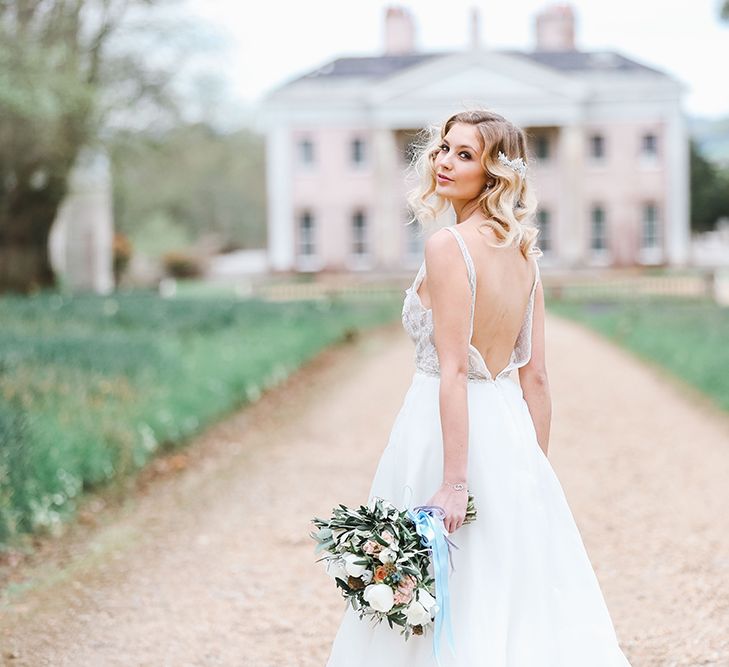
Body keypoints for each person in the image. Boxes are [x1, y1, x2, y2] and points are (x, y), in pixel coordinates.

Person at [324, 109, 632, 666]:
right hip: (508, 430)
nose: (443, 161)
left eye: (465, 154)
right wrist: (531, 470)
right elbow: (534, 377)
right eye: (444, 148)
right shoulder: (524, 255)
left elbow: (455, 370)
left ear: (495, 172)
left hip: (445, 433)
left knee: (443, 587)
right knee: (505, 592)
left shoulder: (449, 246)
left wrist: (455, 482)